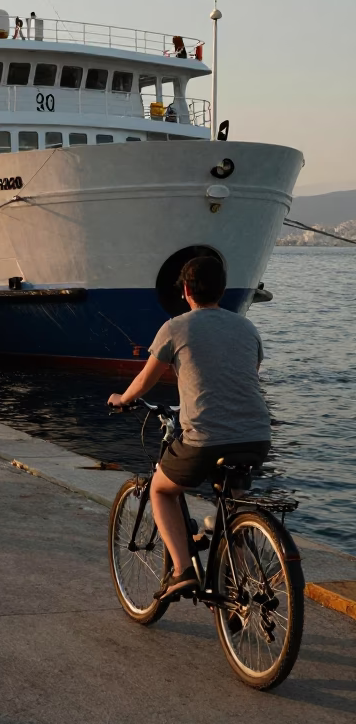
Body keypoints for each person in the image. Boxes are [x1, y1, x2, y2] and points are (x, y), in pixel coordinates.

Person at [108, 255, 271, 601]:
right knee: (233, 505)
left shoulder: (175, 327)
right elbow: (246, 375)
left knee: (161, 490)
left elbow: (144, 381)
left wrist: (122, 399)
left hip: (205, 440)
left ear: (185, 290)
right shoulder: (247, 327)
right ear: (223, 290)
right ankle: (238, 584)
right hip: (257, 436)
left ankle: (182, 571)